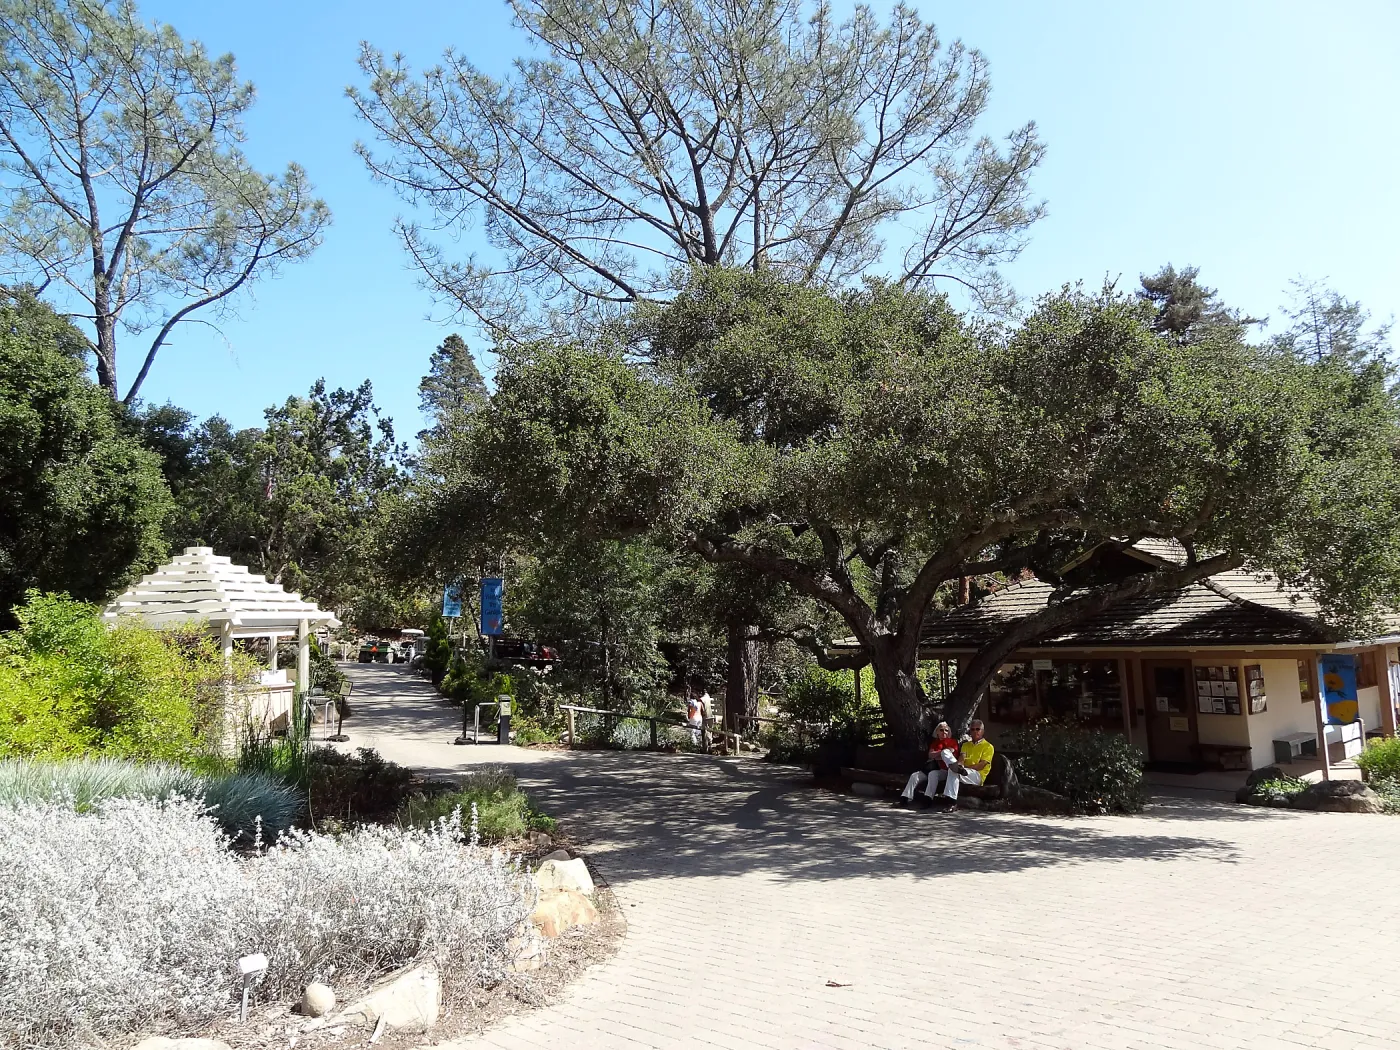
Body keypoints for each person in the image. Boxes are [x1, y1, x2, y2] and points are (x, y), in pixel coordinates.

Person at [897, 722, 960, 805]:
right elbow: (930, 755)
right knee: (914, 776)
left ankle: (928, 799)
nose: (944, 732)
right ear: (937, 732)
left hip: (946, 771)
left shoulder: (953, 742)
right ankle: (904, 799)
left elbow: (951, 754)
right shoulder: (934, 743)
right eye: (941, 730)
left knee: (933, 775)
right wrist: (942, 753)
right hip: (930, 768)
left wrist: (938, 754)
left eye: (946, 730)